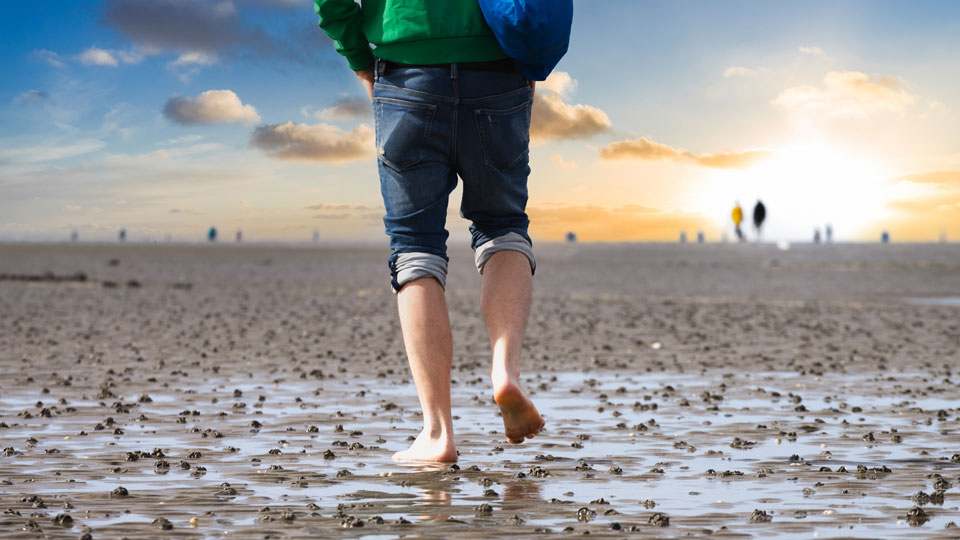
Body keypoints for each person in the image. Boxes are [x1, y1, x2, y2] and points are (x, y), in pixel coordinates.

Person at [315, 0, 544, 462]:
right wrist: (533, 52)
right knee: (502, 229)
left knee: (415, 247)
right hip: (498, 65)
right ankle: (506, 370)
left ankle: (438, 434)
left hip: (407, 69)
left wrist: (357, 54)